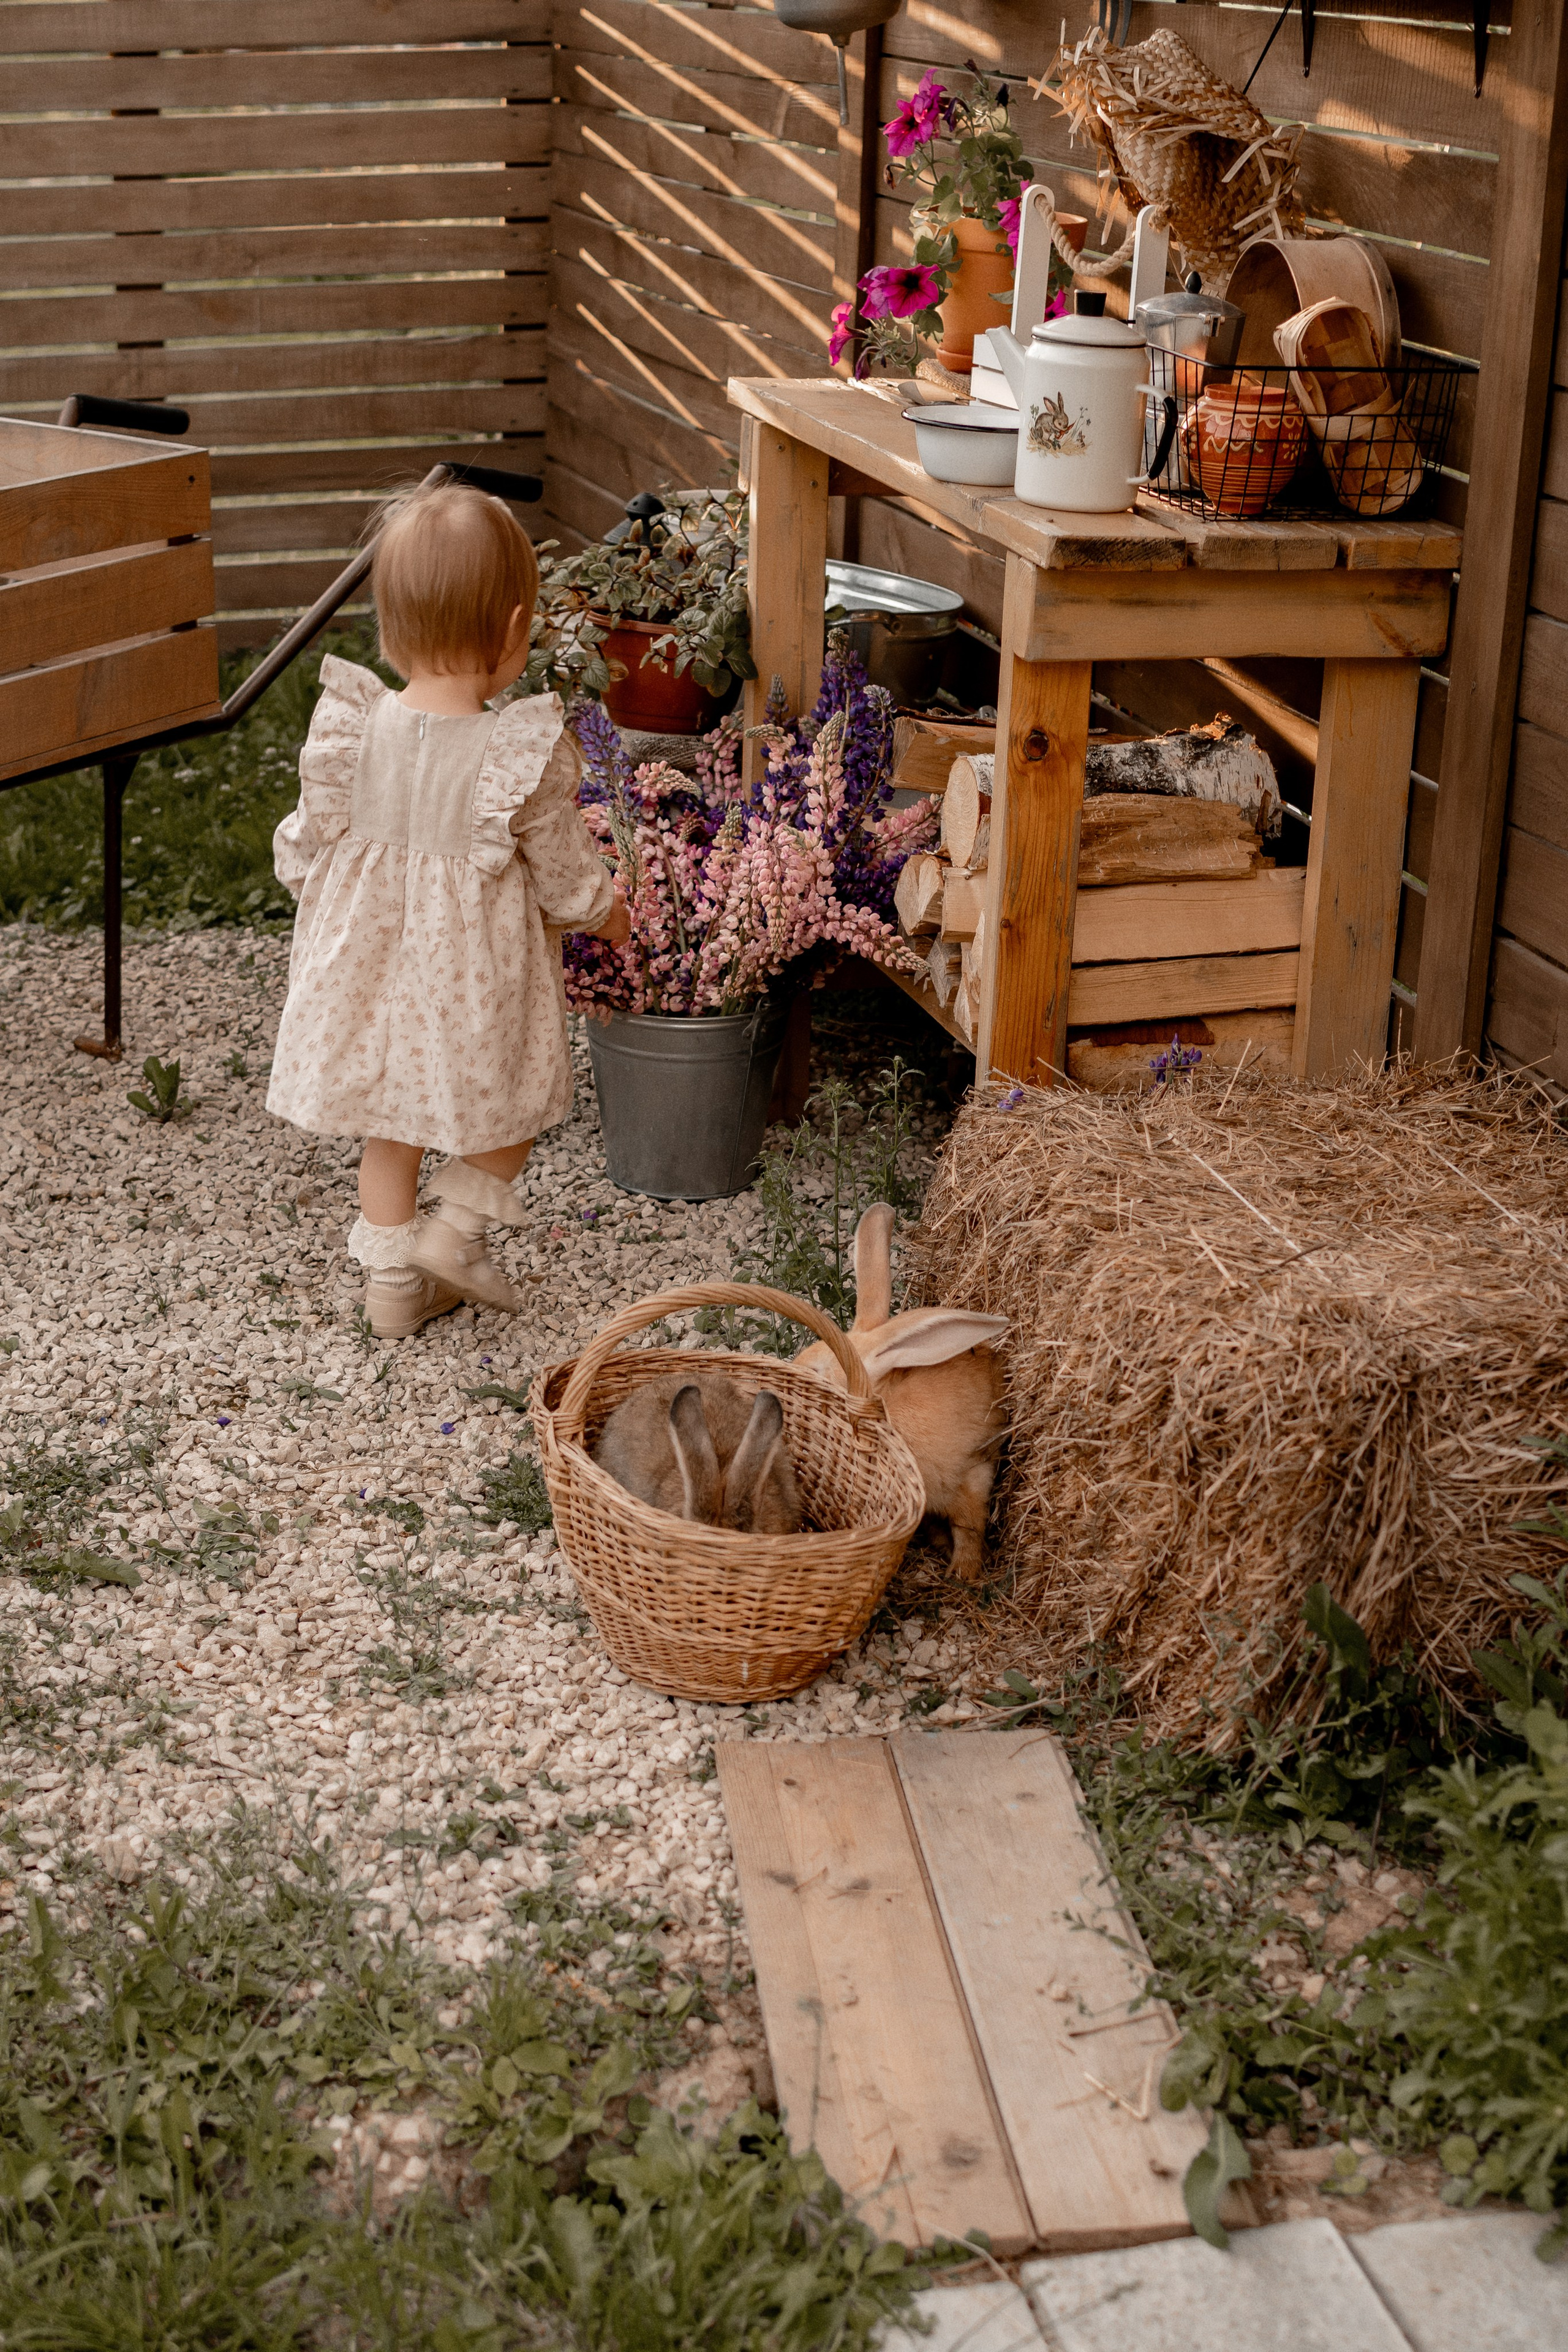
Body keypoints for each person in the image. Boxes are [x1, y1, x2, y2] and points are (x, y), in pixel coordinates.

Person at [266, 481, 630, 1339]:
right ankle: (455, 1233)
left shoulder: (353, 731)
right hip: (473, 988)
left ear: (391, 628)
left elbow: (306, 844)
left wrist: (323, 899)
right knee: (513, 1110)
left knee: (389, 1130)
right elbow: (564, 872)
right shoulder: (517, 753)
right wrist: (609, 913)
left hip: (370, 983)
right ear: (514, 628)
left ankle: (392, 1287)